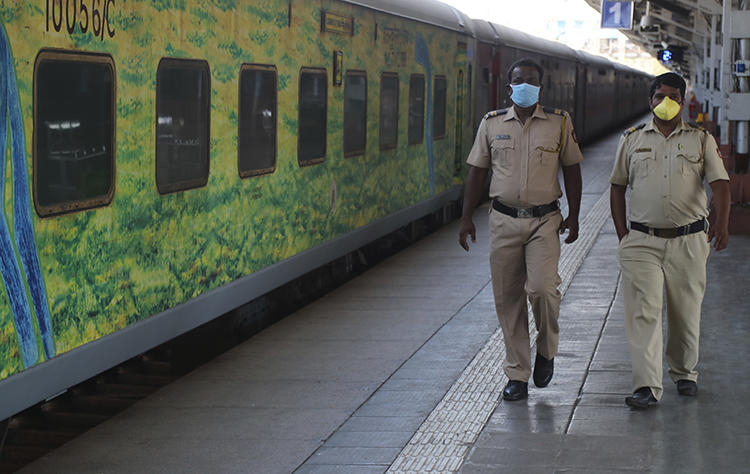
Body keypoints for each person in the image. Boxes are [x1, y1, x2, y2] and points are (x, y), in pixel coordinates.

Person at [459, 57, 583, 401]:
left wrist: (574, 215)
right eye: (519, 79)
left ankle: (546, 350)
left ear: (541, 88)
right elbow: (477, 173)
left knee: (542, 289)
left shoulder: (559, 123)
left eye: (531, 80)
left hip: (545, 220)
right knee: (508, 298)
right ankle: (517, 374)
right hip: (503, 220)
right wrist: (466, 217)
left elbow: (572, 169)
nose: (525, 85)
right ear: (508, 86)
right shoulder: (491, 124)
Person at [609, 72, 730, 409]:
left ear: (683, 100)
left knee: (685, 310)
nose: (667, 102)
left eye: (674, 96)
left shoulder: (700, 139)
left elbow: (720, 182)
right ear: (650, 100)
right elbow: (617, 186)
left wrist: (721, 223)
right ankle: (647, 385)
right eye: (661, 96)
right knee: (644, 312)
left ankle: (684, 372)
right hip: (642, 240)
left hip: (689, 239)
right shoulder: (631, 139)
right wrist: (624, 235)